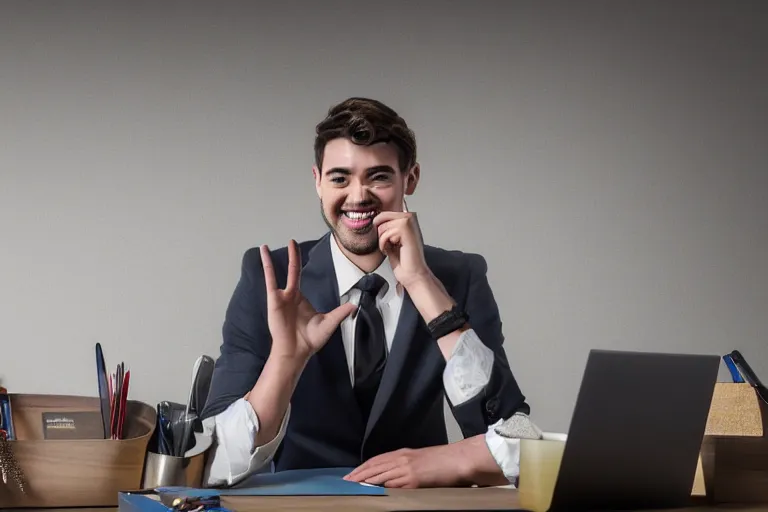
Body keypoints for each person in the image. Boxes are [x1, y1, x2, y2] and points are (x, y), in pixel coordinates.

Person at [200, 97, 538, 489]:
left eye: (378, 177)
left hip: (417, 509)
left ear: (409, 179)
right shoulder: (269, 278)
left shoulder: (459, 277)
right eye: (340, 178)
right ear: (317, 180)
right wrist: (285, 361)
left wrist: (423, 285)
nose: (358, 196)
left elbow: (520, 439)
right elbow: (211, 461)